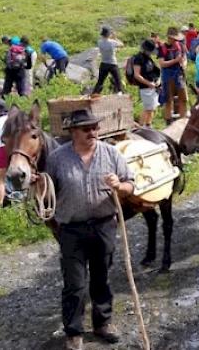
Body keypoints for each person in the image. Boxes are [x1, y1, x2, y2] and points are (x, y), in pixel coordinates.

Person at [46, 109, 134, 350]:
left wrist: (120, 186)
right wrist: (37, 184)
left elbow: (131, 185)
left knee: (102, 277)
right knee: (74, 283)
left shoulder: (112, 154)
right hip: (71, 229)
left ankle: (103, 323)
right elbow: (47, 191)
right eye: (87, 128)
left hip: (104, 224)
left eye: (95, 127)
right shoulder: (57, 158)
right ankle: (74, 331)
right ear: (73, 132)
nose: (93, 132)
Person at [158, 27, 187, 124]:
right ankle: (168, 121)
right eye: (174, 39)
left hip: (179, 76)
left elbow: (184, 58)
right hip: (168, 76)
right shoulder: (162, 48)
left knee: (183, 99)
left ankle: (183, 120)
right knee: (168, 100)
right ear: (169, 38)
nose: (176, 41)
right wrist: (175, 61)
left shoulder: (181, 46)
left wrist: (183, 64)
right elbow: (162, 63)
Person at [133, 39, 161, 127]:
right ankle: (140, 126)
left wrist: (157, 81)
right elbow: (137, 75)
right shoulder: (138, 58)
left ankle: (148, 125)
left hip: (153, 86)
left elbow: (155, 71)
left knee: (152, 108)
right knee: (148, 109)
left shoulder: (148, 58)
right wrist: (149, 83)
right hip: (145, 87)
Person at [93, 27, 123, 95]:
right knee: (118, 81)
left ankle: (94, 95)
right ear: (109, 34)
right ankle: (121, 95)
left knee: (100, 82)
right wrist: (115, 37)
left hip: (103, 63)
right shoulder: (112, 42)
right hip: (112, 64)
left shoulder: (99, 42)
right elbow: (121, 44)